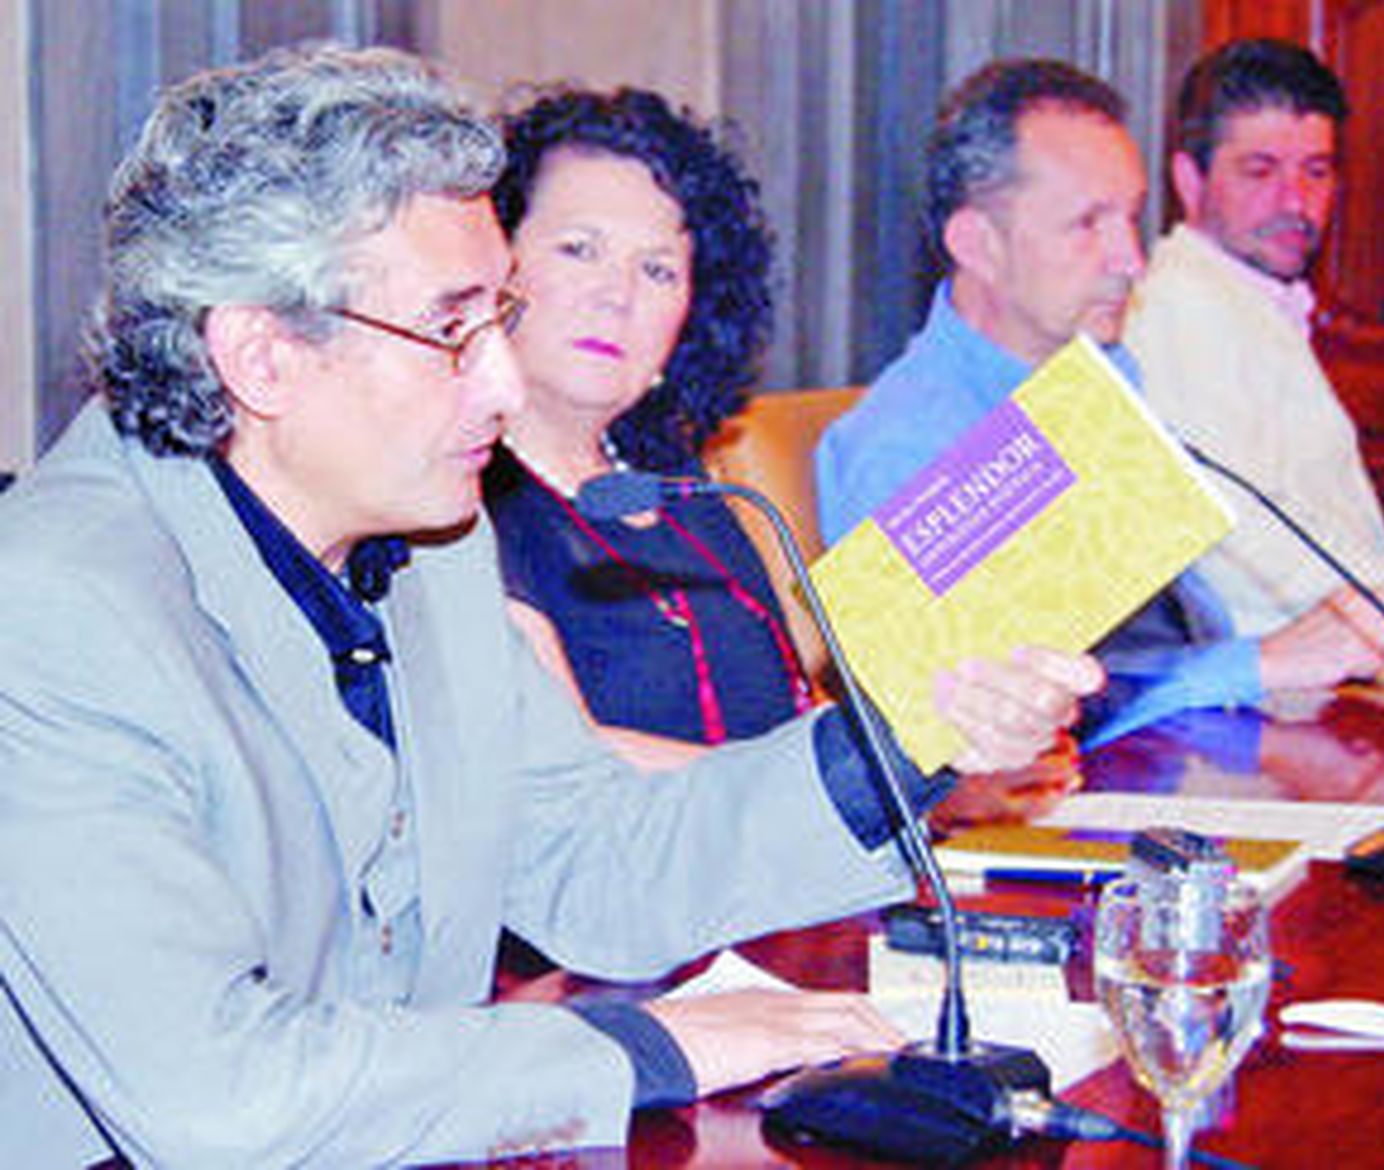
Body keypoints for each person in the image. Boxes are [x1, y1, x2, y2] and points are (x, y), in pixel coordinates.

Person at [0, 45, 1101, 1167]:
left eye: (502, 316)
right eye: (451, 329)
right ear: (264, 355)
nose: (505, 384)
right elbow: (217, 1099)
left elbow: (598, 858)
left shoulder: (426, 539)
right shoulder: (51, 610)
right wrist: (637, 1050)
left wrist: (905, 741)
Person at [815, 57, 1384, 748]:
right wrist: (1261, 663)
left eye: (1131, 217)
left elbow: (1165, 633)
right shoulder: (906, 444)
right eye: (1088, 225)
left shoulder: (1105, 374)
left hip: (1198, 757)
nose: (1130, 258)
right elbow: (960, 732)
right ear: (978, 243)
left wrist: (1274, 662)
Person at [482, 86, 811, 770]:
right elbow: (570, 764)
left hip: (773, 868)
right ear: (492, 265)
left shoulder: (681, 484)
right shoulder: (455, 502)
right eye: (579, 250)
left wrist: (932, 769)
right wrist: (852, 787)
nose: (618, 293)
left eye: (657, 269)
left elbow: (792, 711)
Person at [1124, 38, 1384, 638]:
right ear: (1189, 179)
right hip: (1281, 684)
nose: (1295, 202)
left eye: (1316, 171)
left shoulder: (1245, 297)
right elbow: (1244, 550)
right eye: (1260, 171)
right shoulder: (1173, 310)